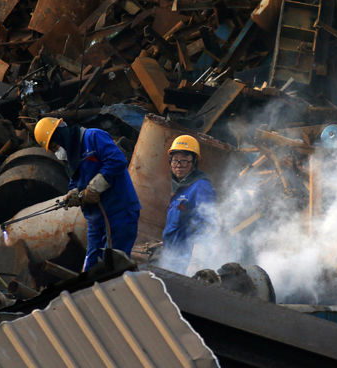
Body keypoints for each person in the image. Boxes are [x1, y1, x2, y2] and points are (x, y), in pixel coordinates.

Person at [34, 117, 141, 271]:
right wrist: (74, 193)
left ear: (61, 135)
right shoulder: (70, 155)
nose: (57, 151)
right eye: (53, 149)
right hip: (95, 219)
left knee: (113, 267)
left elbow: (117, 161)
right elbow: (76, 179)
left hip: (118, 212)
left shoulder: (93, 137)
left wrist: (94, 187)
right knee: (91, 266)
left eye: (55, 145)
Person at [162, 135, 217, 273]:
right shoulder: (180, 190)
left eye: (185, 161)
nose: (179, 165)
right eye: (175, 161)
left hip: (185, 261)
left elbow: (207, 223)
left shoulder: (201, 187)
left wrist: (196, 261)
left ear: (194, 163)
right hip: (171, 257)